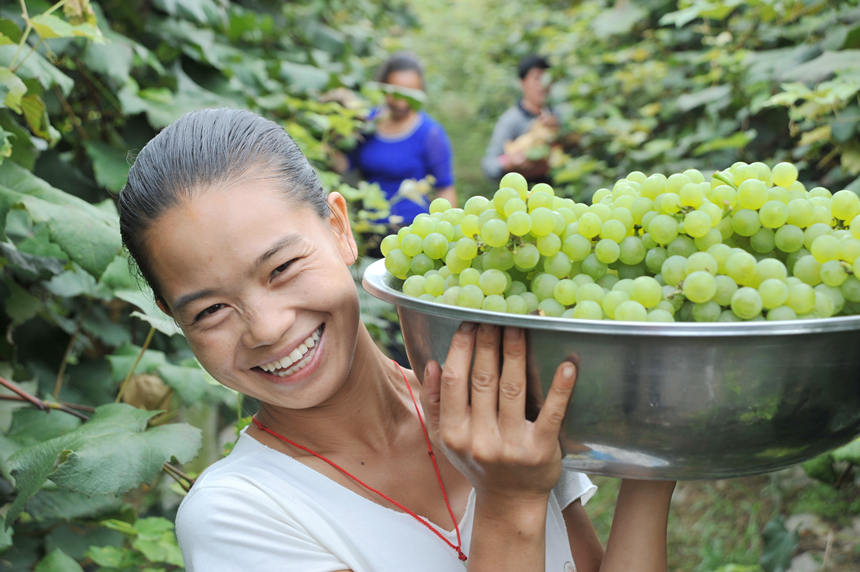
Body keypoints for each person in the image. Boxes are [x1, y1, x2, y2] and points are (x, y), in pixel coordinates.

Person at [118, 108, 675, 571]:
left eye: (282, 267)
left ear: (339, 228)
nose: (266, 327)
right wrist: (509, 501)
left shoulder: (500, 401)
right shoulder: (237, 516)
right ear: (173, 317)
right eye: (212, 309)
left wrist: (659, 454)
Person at [346, 52, 457, 227]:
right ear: (383, 87)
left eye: (409, 95)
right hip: (367, 227)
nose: (401, 103)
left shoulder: (430, 133)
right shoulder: (367, 124)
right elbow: (344, 167)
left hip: (414, 230)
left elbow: (445, 188)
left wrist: (445, 230)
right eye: (395, 93)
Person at [482, 54, 558, 184]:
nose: (542, 85)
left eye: (546, 79)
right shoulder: (510, 120)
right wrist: (509, 163)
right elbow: (490, 165)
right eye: (536, 79)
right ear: (522, 82)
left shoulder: (557, 116)